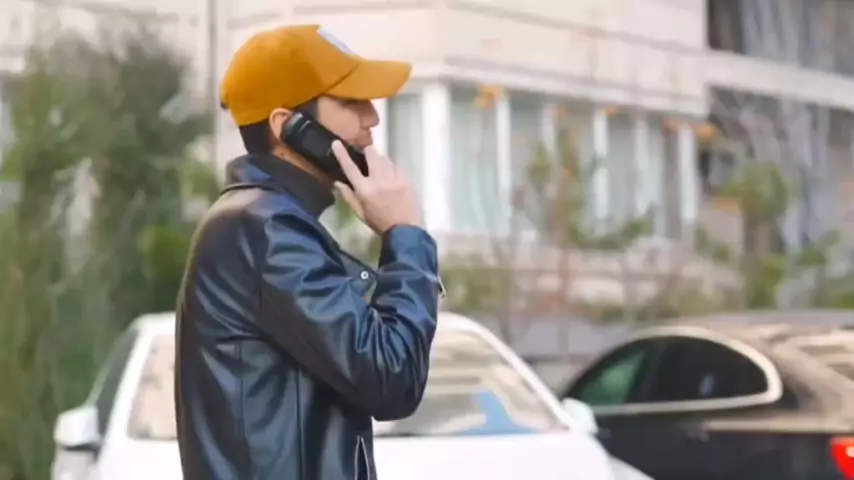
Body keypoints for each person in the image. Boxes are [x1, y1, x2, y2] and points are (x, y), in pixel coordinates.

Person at [174, 24, 444, 480]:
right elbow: (391, 379)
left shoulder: (265, 221)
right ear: (288, 126)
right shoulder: (266, 229)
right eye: (351, 102)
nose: (372, 119)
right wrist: (406, 235)